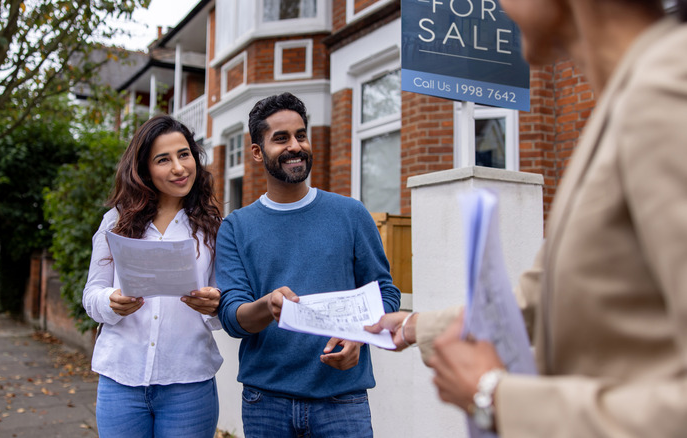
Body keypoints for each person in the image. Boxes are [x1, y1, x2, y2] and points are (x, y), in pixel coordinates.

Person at [367, 0, 687, 436]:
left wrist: (495, 397)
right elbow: (536, 299)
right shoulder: (625, 105)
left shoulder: (667, 91)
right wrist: (410, 325)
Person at [215, 92, 401, 437]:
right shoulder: (236, 227)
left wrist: (359, 337)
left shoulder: (351, 214)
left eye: (301, 135)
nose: (295, 146)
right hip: (265, 402)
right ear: (257, 151)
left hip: (342, 399)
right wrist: (266, 305)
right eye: (280, 138)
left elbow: (385, 292)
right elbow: (231, 317)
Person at [83, 115, 224, 438]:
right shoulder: (116, 222)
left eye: (184, 154)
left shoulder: (212, 229)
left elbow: (224, 305)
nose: (179, 168)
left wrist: (215, 304)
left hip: (188, 384)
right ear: (144, 169)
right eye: (164, 159)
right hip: (121, 379)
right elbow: (92, 295)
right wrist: (111, 302)